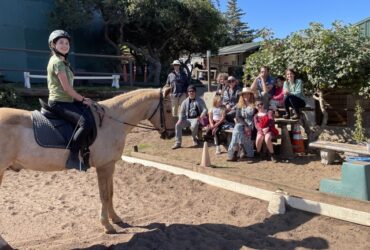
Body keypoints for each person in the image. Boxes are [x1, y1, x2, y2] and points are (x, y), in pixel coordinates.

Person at [46, 30, 93, 171]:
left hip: (67, 100)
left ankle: (85, 150)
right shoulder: (58, 63)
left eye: (66, 43)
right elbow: (67, 88)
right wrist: (82, 99)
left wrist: (81, 100)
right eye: (60, 42)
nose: (65, 45)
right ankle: (72, 157)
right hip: (59, 102)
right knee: (85, 123)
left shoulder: (62, 61)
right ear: (53, 45)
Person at [172, 85, 208, 149]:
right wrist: (180, 120)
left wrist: (201, 116)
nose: (191, 92)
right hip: (187, 119)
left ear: (195, 92)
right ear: (187, 92)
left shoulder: (200, 100)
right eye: (189, 91)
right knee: (177, 125)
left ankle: (194, 138)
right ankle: (178, 143)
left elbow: (205, 109)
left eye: (192, 91)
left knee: (194, 125)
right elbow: (181, 112)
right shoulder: (185, 102)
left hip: (196, 118)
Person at [227, 87, 256, 162]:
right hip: (242, 124)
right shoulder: (239, 105)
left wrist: (247, 126)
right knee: (238, 128)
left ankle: (235, 152)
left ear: (250, 95)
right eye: (244, 94)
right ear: (242, 96)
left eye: (248, 94)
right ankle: (240, 148)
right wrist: (245, 125)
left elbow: (255, 117)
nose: (246, 96)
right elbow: (238, 117)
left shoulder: (254, 104)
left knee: (237, 129)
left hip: (251, 125)